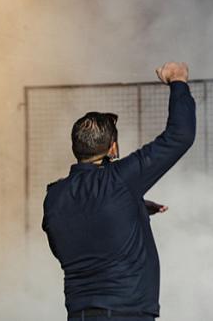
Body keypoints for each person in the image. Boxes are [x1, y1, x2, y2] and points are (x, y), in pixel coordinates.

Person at [43, 62, 196, 321]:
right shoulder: (120, 181)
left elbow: (73, 238)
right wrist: (178, 81)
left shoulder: (54, 197)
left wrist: (133, 207)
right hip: (126, 314)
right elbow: (180, 135)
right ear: (112, 149)